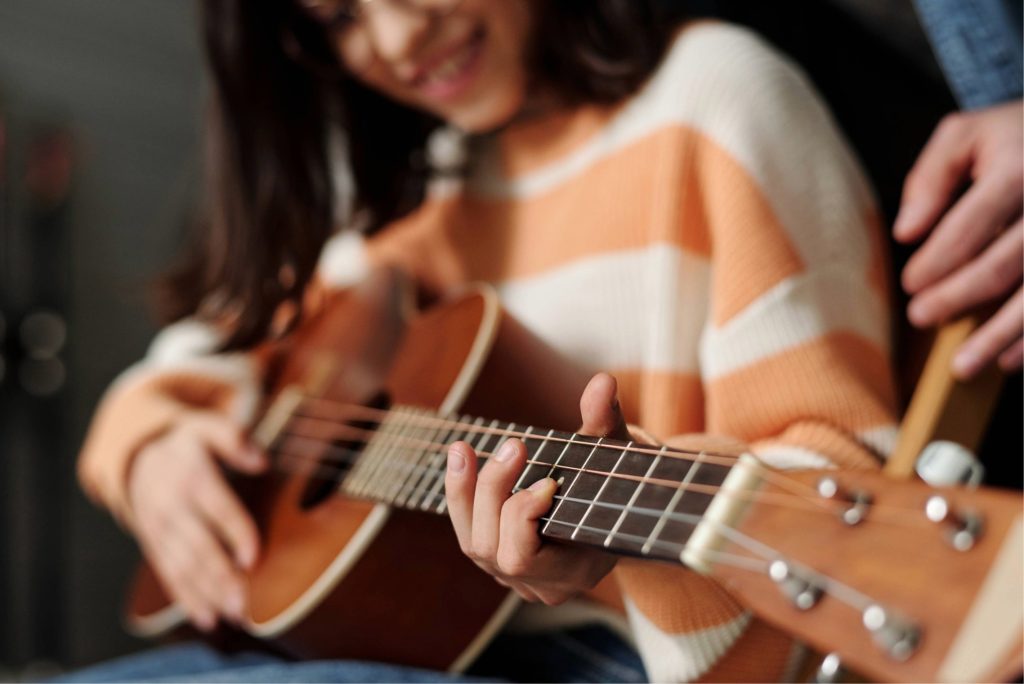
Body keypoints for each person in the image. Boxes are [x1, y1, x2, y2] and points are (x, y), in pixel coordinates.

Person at [73, 0, 897, 681]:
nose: (397, 39)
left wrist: (625, 547)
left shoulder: (716, 97)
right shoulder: (421, 186)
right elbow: (218, 349)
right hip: (397, 647)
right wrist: (148, 443)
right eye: (337, 18)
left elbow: (836, 473)